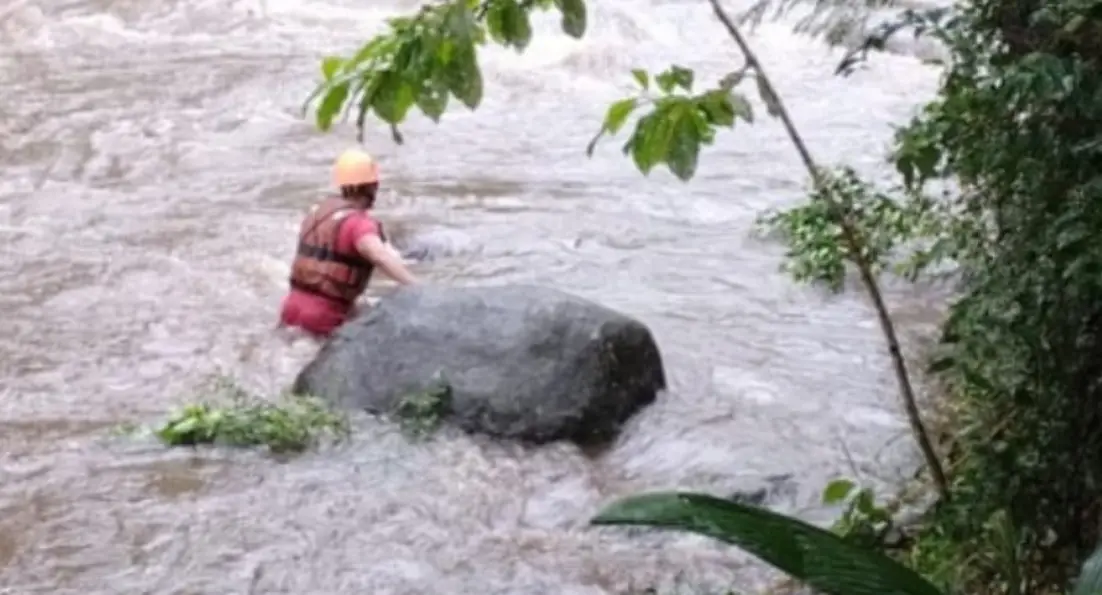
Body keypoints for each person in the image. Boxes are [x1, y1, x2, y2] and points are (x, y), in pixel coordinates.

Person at [278, 148, 418, 338]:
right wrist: (417, 288)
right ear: (371, 187)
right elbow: (378, 255)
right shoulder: (359, 225)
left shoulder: (316, 215)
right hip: (324, 319)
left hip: (290, 310)